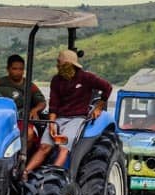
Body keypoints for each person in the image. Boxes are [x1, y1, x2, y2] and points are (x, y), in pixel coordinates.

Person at [23, 49, 112, 177]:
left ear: (69, 65)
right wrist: (52, 123)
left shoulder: (86, 77)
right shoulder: (56, 80)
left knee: (63, 147)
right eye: (58, 64)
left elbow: (107, 87)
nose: (58, 66)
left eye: (60, 64)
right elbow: (53, 105)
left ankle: (52, 176)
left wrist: (99, 106)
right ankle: (25, 172)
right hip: (59, 118)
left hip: (77, 119)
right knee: (44, 146)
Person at [0, 54, 47, 150]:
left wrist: (35, 110)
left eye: (21, 69)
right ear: (8, 69)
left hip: (21, 120)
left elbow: (42, 102)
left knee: (29, 134)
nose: (18, 72)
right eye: (14, 69)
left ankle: (22, 159)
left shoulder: (30, 86)